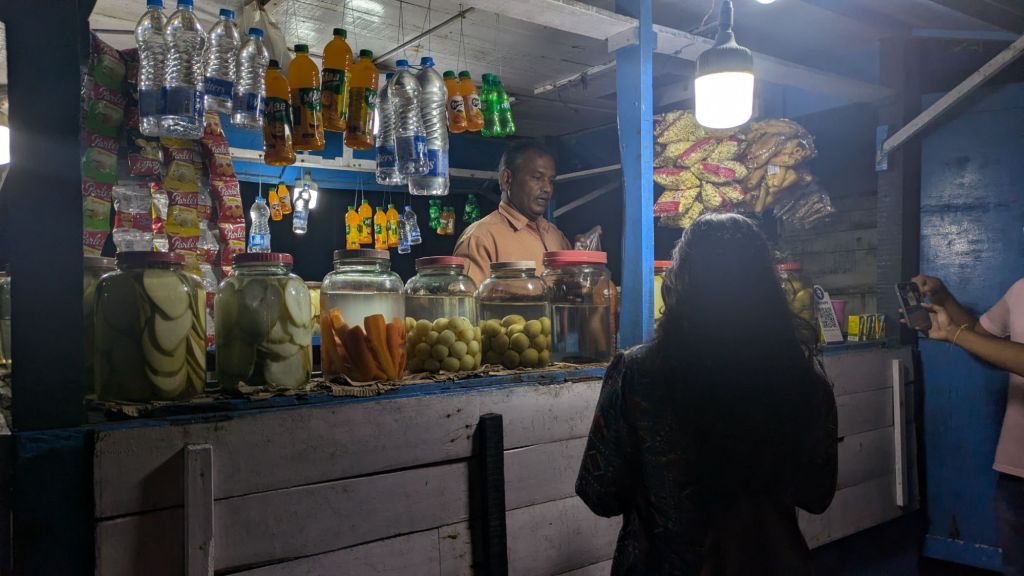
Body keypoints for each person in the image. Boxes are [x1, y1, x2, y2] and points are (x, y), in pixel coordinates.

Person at [576, 214, 837, 576]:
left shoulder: (636, 373)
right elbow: (817, 494)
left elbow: (599, 493)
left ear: (679, 285)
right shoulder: (803, 382)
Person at [910, 274, 1024, 575]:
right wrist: (944, 298)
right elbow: (981, 336)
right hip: (1015, 471)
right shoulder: (1021, 289)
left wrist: (955, 335)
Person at [453, 141, 571, 285]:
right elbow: (467, 305)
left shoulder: (556, 236)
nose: (547, 188)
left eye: (551, 181)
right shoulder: (480, 239)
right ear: (506, 179)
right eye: (537, 178)